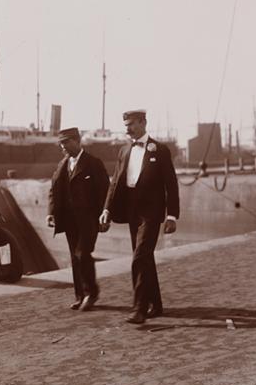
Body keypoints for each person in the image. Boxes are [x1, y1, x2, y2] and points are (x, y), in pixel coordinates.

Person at [99, 109, 179, 324]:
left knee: (140, 257)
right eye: (126, 126)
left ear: (144, 122)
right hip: (131, 210)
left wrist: (172, 216)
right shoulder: (124, 151)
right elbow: (115, 182)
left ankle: (139, 309)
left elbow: (171, 184)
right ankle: (156, 305)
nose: (128, 129)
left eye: (132, 124)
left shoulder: (160, 150)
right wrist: (106, 209)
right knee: (145, 257)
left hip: (152, 211)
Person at [47, 127, 110, 311]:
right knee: (75, 258)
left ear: (77, 141)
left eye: (66, 142)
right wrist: (51, 212)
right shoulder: (62, 164)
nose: (63, 147)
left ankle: (91, 293)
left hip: (88, 219)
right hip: (69, 220)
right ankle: (80, 295)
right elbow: (54, 189)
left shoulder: (93, 163)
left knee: (82, 254)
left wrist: (106, 215)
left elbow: (105, 191)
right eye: (61, 143)